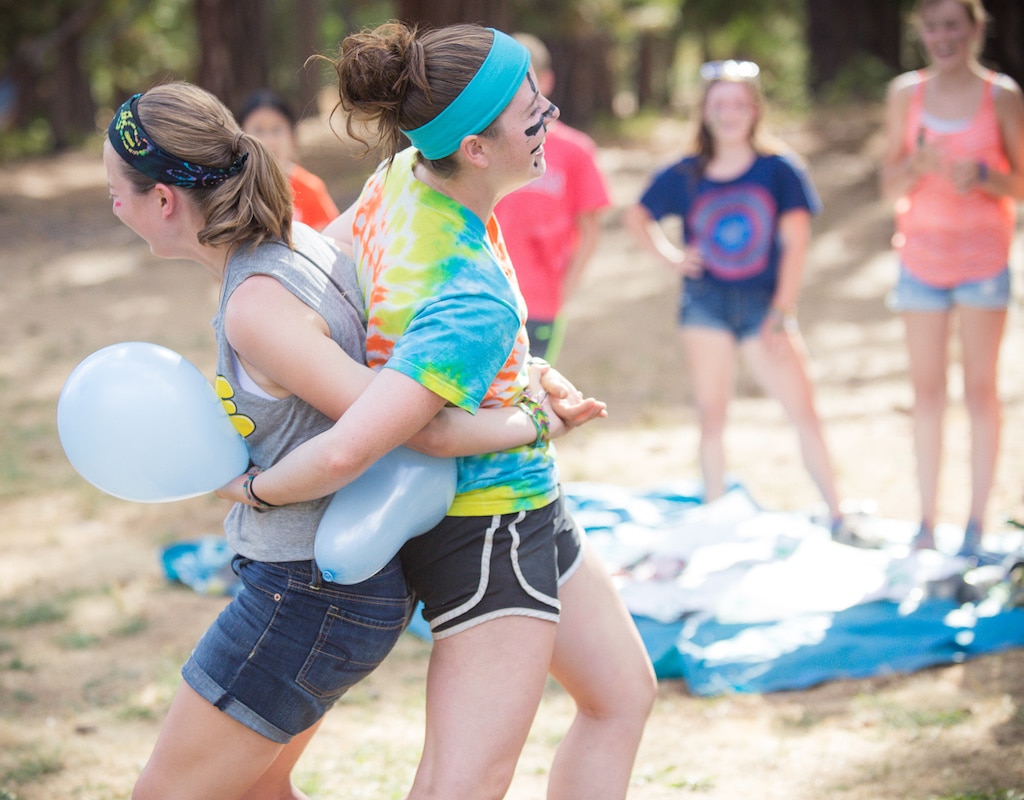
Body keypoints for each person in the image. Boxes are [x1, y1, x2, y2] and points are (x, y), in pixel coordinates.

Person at [104, 81, 596, 800]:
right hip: (332, 587)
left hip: (304, 594)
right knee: (258, 789)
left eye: (116, 190)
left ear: (164, 201)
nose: (114, 205)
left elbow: (391, 424)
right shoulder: (305, 244)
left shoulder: (258, 303)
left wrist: (536, 417)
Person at [220, 22, 657, 800]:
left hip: (529, 506)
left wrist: (522, 368)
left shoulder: (402, 177)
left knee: (622, 694)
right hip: (490, 525)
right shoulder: (466, 289)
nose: (549, 118)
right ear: (479, 150)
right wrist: (538, 418)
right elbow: (417, 426)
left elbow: (338, 270)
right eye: (531, 114)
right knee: (464, 783)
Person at [625, 59, 847, 534]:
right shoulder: (684, 173)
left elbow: (796, 245)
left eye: (739, 103)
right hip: (705, 305)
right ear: (704, 110)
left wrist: (782, 311)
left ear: (755, 109)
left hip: (765, 307)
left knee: (803, 412)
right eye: (719, 103)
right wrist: (670, 257)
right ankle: (714, 517)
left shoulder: (780, 170)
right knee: (712, 415)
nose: (729, 113)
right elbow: (637, 217)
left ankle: (838, 515)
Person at [880, 0, 1024, 557]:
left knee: (981, 392)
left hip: (983, 264)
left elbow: (1020, 185)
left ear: (975, 30)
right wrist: (913, 168)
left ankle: (976, 522)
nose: (943, 36)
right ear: (921, 31)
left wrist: (985, 176)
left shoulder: (1002, 96)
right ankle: (925, 523)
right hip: (920, 262)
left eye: (953, 25)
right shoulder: (904, 95)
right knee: (927, 394)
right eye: (932, 25)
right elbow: (887, 188)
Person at [493, 33, 611, 363]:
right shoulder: (481, 147)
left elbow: (591, 229)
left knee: (532, 389)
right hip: (486, 293)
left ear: (545, 81)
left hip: (542, 302)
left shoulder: (576, 151)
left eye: (524, 81)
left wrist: (565, 290)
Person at [238, 89, 341, 231]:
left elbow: (330, 242)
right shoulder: (232, 189)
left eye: (276, 130)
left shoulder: (310, 189)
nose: (269, 141)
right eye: (258, 130)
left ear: (292, 137)